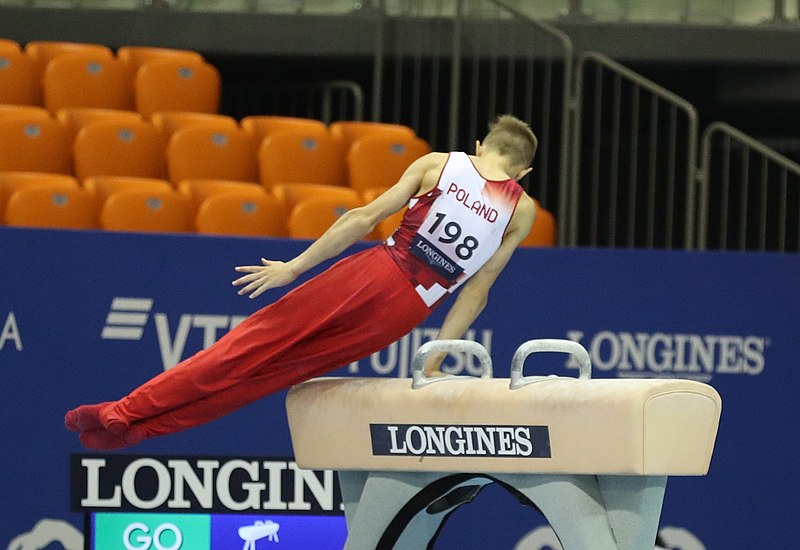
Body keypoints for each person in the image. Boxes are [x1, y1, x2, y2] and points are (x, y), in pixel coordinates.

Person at [65, 114, 539, 450]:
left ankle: (125, 411)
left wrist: (294, 267)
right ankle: (140, 430)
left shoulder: (441, 163)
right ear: (524, 173)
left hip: (376, 272)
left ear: (481, 146)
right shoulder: (521, 209)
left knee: (249, 346)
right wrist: (433, 358)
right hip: (410, 309)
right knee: (278, 373)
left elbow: (363, 217)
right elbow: (478, 289)